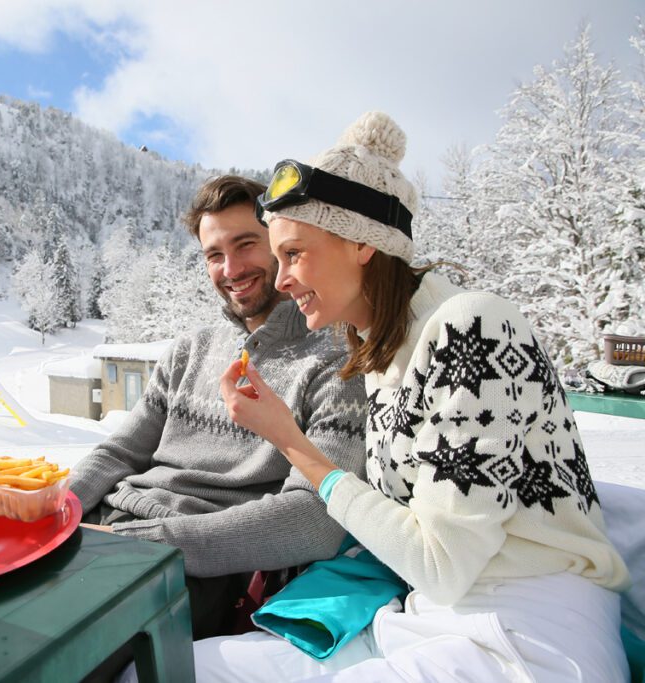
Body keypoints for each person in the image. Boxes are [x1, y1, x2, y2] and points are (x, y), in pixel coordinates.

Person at [195, 112, 631, 681]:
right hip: (425, 618)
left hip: (525, 630)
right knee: (188, 665)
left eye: (295, 254)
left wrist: (292, 443)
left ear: (362, 244)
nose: (280, 280)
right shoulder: (387, 354)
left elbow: (442, 562)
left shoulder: (472, 328)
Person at [70, 175, 367, 640]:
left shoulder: (336, 365)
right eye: (214, 254)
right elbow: (120, 453)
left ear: (281, 245)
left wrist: (144, 546)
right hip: (107, 527)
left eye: (246, 244)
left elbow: (315, 518)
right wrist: (58, 508)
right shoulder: (189, 351)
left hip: (195, 561)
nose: (230, 268)